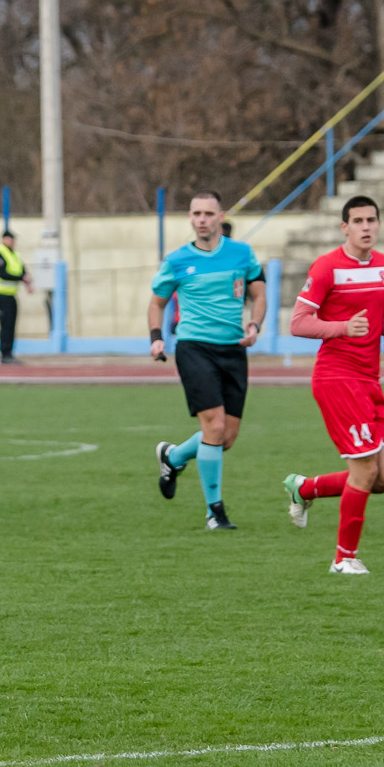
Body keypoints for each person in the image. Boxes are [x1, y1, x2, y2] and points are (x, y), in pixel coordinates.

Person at [281, 196, 384, 574]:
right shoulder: (327, 268)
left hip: (370, 379)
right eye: (358, 221)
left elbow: (378, 309)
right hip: (337, 377)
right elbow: (298, 322)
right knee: (365, 472)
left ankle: (305, 489)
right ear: (344, 227)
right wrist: (340, 328)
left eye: (372, 220)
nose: (366, 227)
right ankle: (344, 559)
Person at [148, 191, 265, 531]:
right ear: (190, 217)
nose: (201, 219)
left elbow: (258, 293)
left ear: (220, 216)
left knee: (225, 437)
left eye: (208, 213)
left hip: (233, 349)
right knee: (213, 427)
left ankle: (173, 457)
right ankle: (215, 512)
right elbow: (156, 303)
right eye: (196, 213)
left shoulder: (242, 254)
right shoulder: (177, 260)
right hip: (194, 348)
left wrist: (255, 324)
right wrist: (157, 339)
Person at [0, 230, 32, 365]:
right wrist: (20, 278)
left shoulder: (15, 254)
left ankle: (9, 353)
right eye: (10, 239)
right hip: (0, 293)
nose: (12, 242)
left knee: (12, 323)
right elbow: (2, 273)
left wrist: (27, 281)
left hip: (11, 293)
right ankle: (4, 353)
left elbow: (22, 270)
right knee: (5, 323)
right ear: (3, 239)